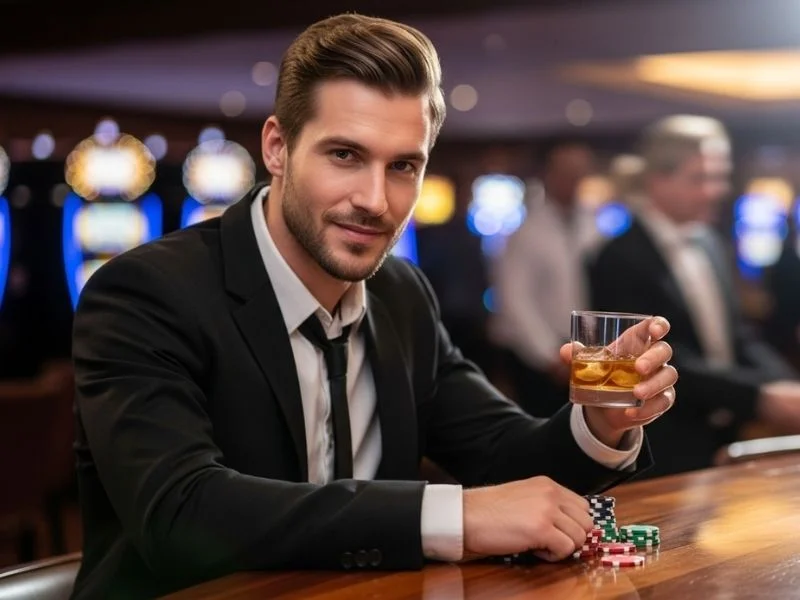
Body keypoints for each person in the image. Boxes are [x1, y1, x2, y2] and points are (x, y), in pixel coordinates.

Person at [69, 14, 678, 599]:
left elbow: (503, 453)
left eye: (403, 167)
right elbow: (181, 514)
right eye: (345, 156)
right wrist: (452, 516)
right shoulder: (145, 293)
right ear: (278, 147)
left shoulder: (401, 293)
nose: (374, 200)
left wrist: (601, 422)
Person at [589, 115, 800, 478]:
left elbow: (737, 337)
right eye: (701, 178)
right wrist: (759, 398)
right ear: (658, 180)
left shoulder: (710, 243)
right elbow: (657, 361)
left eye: (720, 176)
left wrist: (784, 384)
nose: (717, 190)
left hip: (721, 431)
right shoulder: (618, 257)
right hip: (662, 442)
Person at [490, 140, 603, 417]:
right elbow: (515, 300)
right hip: (538, 356)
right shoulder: (526, 231)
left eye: (580, 171)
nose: (573, 179)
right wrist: (549, 355)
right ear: (548, 173)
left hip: (585, 349)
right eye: (566, 170)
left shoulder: (592, 225)